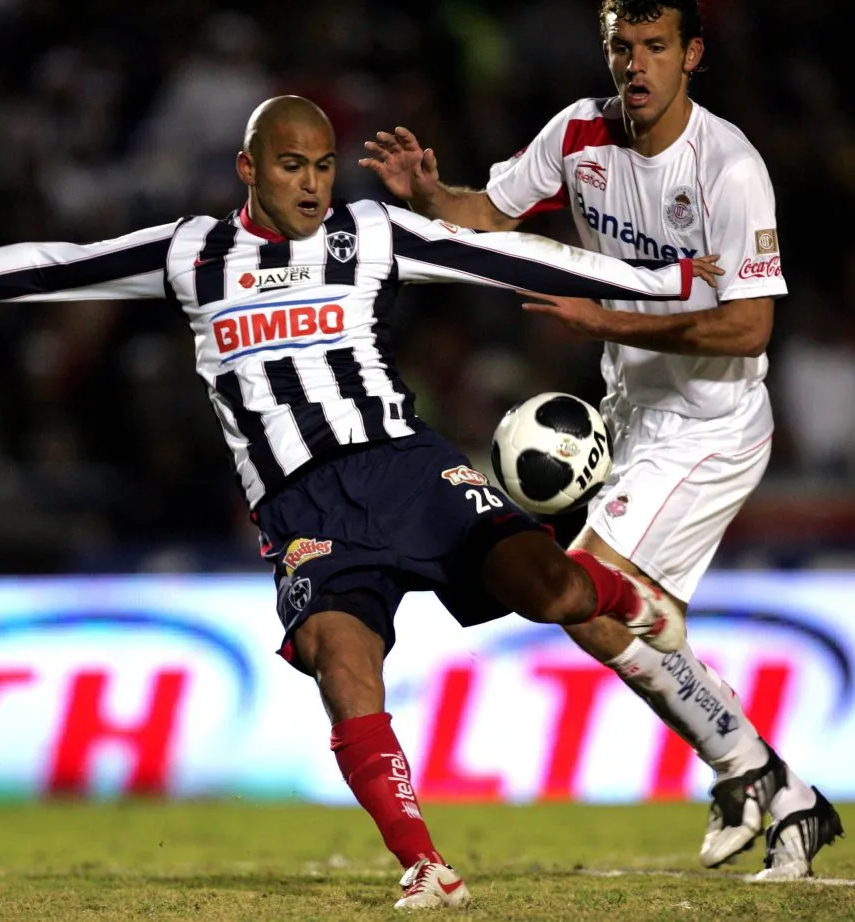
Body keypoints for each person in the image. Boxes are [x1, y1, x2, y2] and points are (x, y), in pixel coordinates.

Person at [0, 95, 718, 909]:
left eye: (324, 165)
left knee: (552, 592)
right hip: (303, 511)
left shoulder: (371, 235)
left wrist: (668, 284)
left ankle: (621, 595)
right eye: (293, 165)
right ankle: (425, 863)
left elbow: (511, 255)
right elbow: (51, 267)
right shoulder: (191, 255)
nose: (312, 183)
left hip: (404, 470)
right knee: (344, 671)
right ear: (248, 169)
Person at [360, 0, 843, 882]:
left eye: (656, 47)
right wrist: (433, 198)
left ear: (691, 54)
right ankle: (769, 785)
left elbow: (746, 330)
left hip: (710, 425)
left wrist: (604, 317)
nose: (637, 64)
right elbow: (487, 214)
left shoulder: (730, 168)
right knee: (610, 615)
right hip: (629, 414)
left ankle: (750, 769)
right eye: (623, 46)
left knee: (585, 592)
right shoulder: (578, 133)